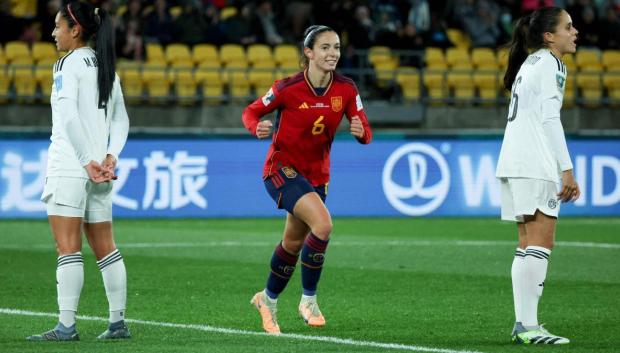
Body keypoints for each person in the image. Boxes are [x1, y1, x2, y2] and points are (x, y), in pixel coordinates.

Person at [242, 25, 372, 334]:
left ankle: (267, 300)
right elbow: (251, 112)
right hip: (281, 169)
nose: (333, 54)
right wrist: (255, 127)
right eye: (325, 47)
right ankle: (308, 300)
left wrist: (361, 133)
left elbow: (366, 130)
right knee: (324, 225)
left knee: (293, 242)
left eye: (337, 47)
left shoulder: (346, 89)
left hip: (317, 176)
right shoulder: (287, 88)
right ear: (309, 52)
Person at [27, 0, 130, 341]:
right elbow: (120, 118)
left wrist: (86, 161)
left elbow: (69, 116)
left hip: (73, 167)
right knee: (107, 248)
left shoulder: (66, 65)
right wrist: (110, 155)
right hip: (101, 170)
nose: (53, 32)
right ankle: (117, 324)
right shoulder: (106, 65)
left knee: (67, 248)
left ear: (75, 30)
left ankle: (66, 326)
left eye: (58, 27)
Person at [496, 7, 579, 345]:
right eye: (568, 27)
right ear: (549, 36)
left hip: (515, 160)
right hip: (534, 162)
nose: (575, 33)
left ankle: (523, 324)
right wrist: (567, 168)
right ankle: (528, 326)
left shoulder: (531, 62)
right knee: (541, 244)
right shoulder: (551, 64)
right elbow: (549, 118)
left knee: (527, 244)